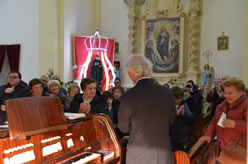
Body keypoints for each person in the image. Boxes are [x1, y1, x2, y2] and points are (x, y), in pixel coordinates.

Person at [118, 55, 175, 164]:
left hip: (139, 155)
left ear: (134, 73)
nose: (129, 75)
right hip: (164, 154)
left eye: (128, 72)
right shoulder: (167, 92)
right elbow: (171, 121)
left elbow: (123, 128)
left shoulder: (129, 96)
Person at [199, 77, 247, 159]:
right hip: (222, 150)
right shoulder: (221, 106)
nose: (227, 96)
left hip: (239, 152)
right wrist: (209, 135)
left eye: (231, 93)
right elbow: (214, 122)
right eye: (225, 93)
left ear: (241, 92)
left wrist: (234, 124)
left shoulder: (245, 105)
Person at [170, 86, 193, 152]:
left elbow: (191, 117)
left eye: (179, 99)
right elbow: (165, 119)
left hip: (182, 137)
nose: (177, 101)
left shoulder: (184, 104)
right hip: (171, 138)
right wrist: (175, 115)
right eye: (175, 99)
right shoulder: (168, 105)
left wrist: (184, 114)